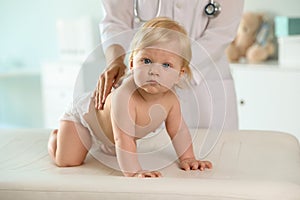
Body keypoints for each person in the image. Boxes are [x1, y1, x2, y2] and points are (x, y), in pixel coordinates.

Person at [48, 17, 212, 178]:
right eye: (146, 60)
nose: (154, 71)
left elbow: (179, 131)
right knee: (68, 160)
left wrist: (188, 158)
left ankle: (100, 143)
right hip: (84, 120)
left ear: (179, 74)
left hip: (110, 135)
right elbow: (123, 138)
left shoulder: (171, 100)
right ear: (132, 64)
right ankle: (56, 137)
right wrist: (134, 172)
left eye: (166, 65)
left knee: (116, 147)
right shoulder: (124, 97)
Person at [96, 0, 244, 132]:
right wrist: (115, 61)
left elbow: (220, 34)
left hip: (205, 85)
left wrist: (166, 69)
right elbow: (115, 21)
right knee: (144, 154)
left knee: (217, 157)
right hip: (141, 86)